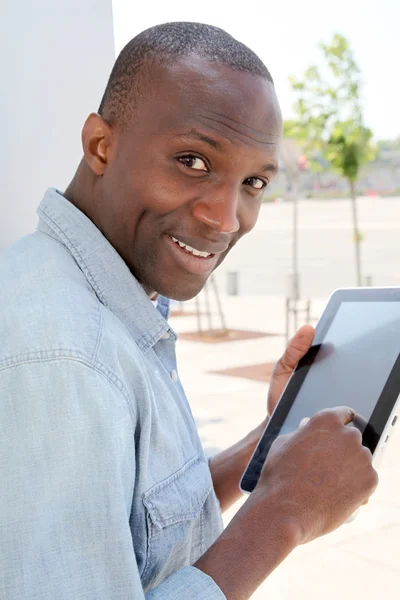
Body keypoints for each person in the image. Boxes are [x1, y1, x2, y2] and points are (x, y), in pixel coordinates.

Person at [0, 22, 378, 600]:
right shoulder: (67, 356)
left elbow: (137, 520)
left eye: (253, 181)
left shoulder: (92, 294)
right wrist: (283, 515)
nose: (227, 218)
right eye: (193, 162)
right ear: (101, 145)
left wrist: (268, 444)